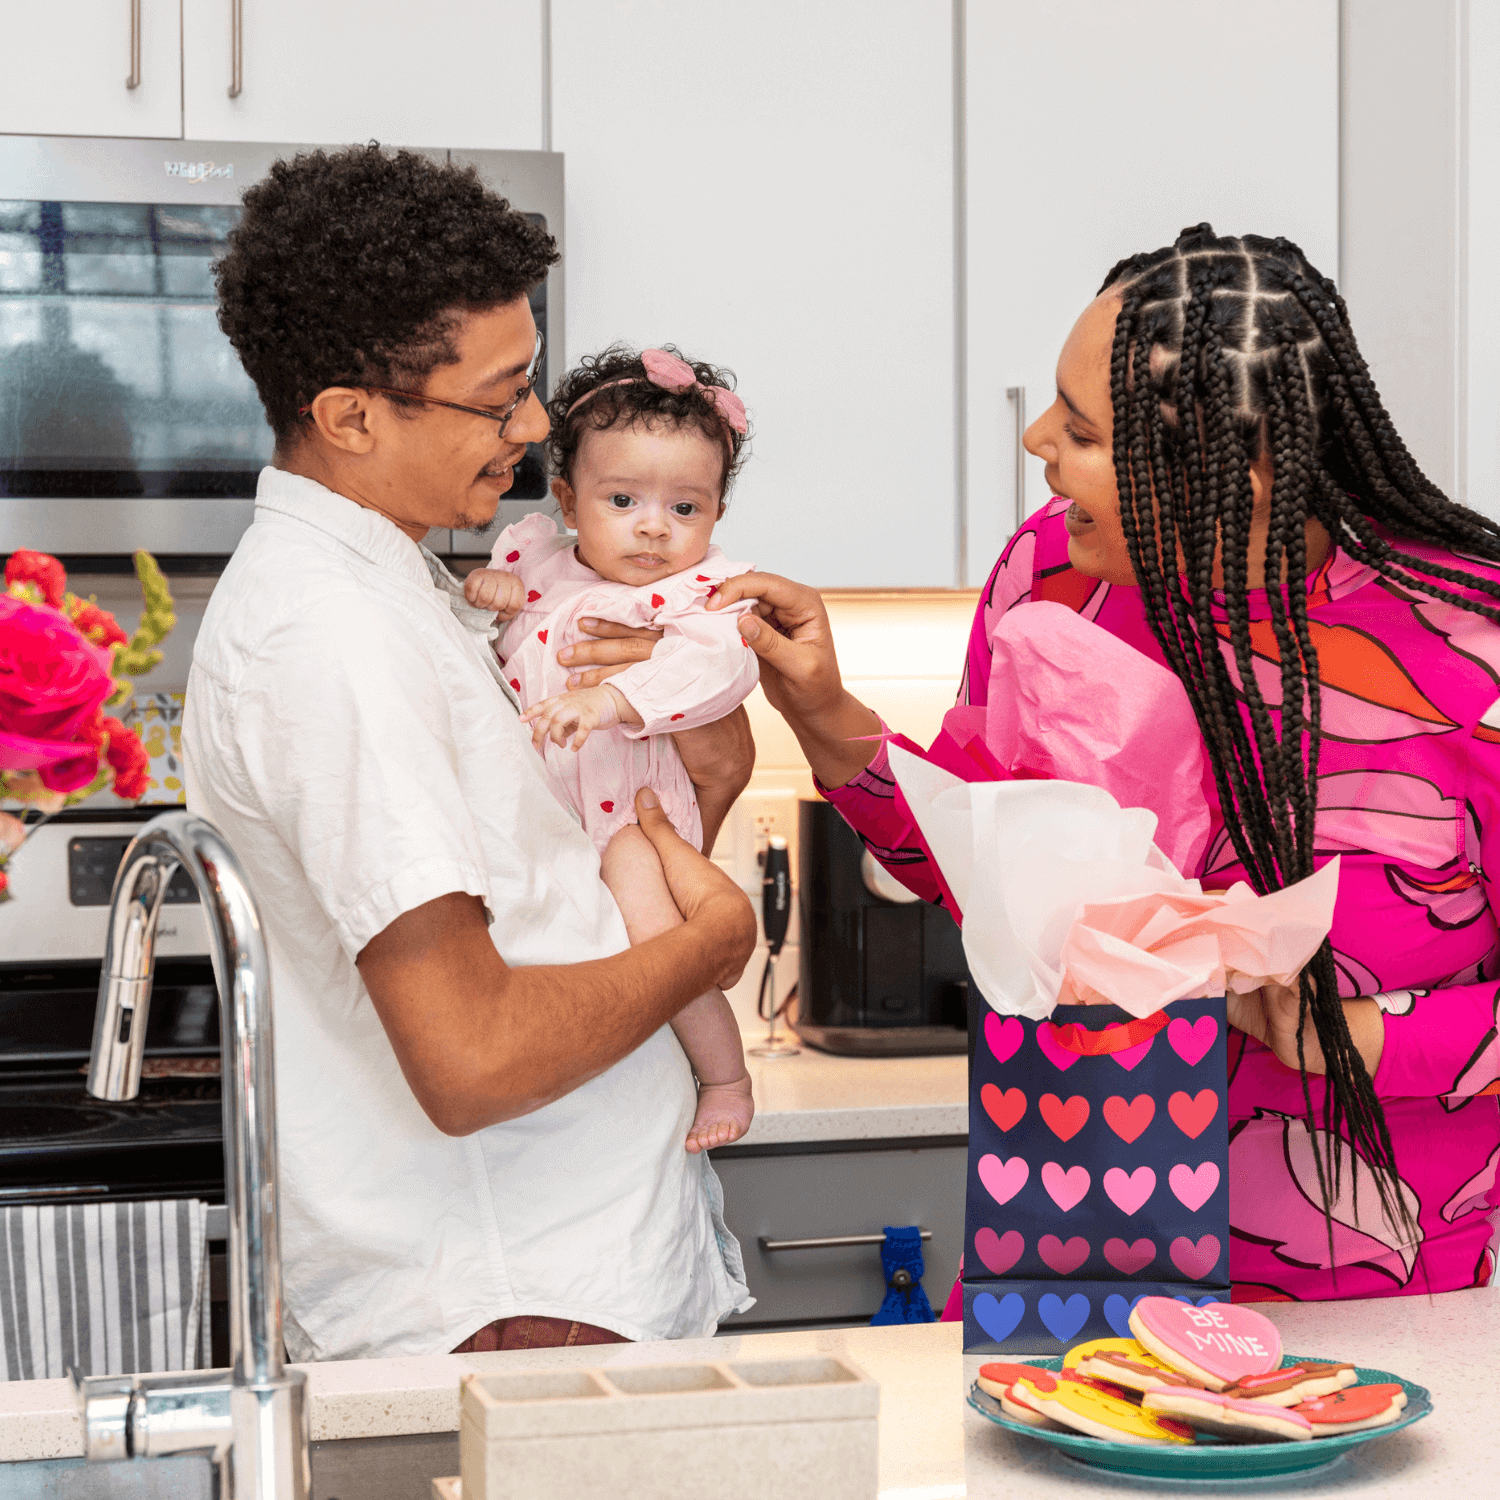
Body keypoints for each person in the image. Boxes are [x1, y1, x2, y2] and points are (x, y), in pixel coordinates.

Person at [591, 223, 1497, 1302]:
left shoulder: (1471, 649)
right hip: (1077, 1241)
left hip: (1398, 1290)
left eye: (1085, 429)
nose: (1039, 447)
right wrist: (825, 712)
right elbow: (977, 874)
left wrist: (1364, 1037)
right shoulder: (1054, 576)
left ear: (1236, 465)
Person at [183, 145, 758, 1361]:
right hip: (509, 1298)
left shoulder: (399, 593)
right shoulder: (332, 638)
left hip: (551, 1273)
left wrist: (705, 768)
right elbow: (473, 1056)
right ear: (348, 416)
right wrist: (707, 947)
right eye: (500, 399)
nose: (538, 428)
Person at [464, 344, 759, 1151]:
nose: (655, 528)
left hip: (634, 821)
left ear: (717, 516)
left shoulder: (699, 595)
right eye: (623, 499)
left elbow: (721, 667)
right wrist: (490, 596)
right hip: (550, 832)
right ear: (568, 497)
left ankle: (726, 1078)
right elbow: (499, 630)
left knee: (659, 940)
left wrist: (613, 697)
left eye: (686, 509)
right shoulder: (536, 563)